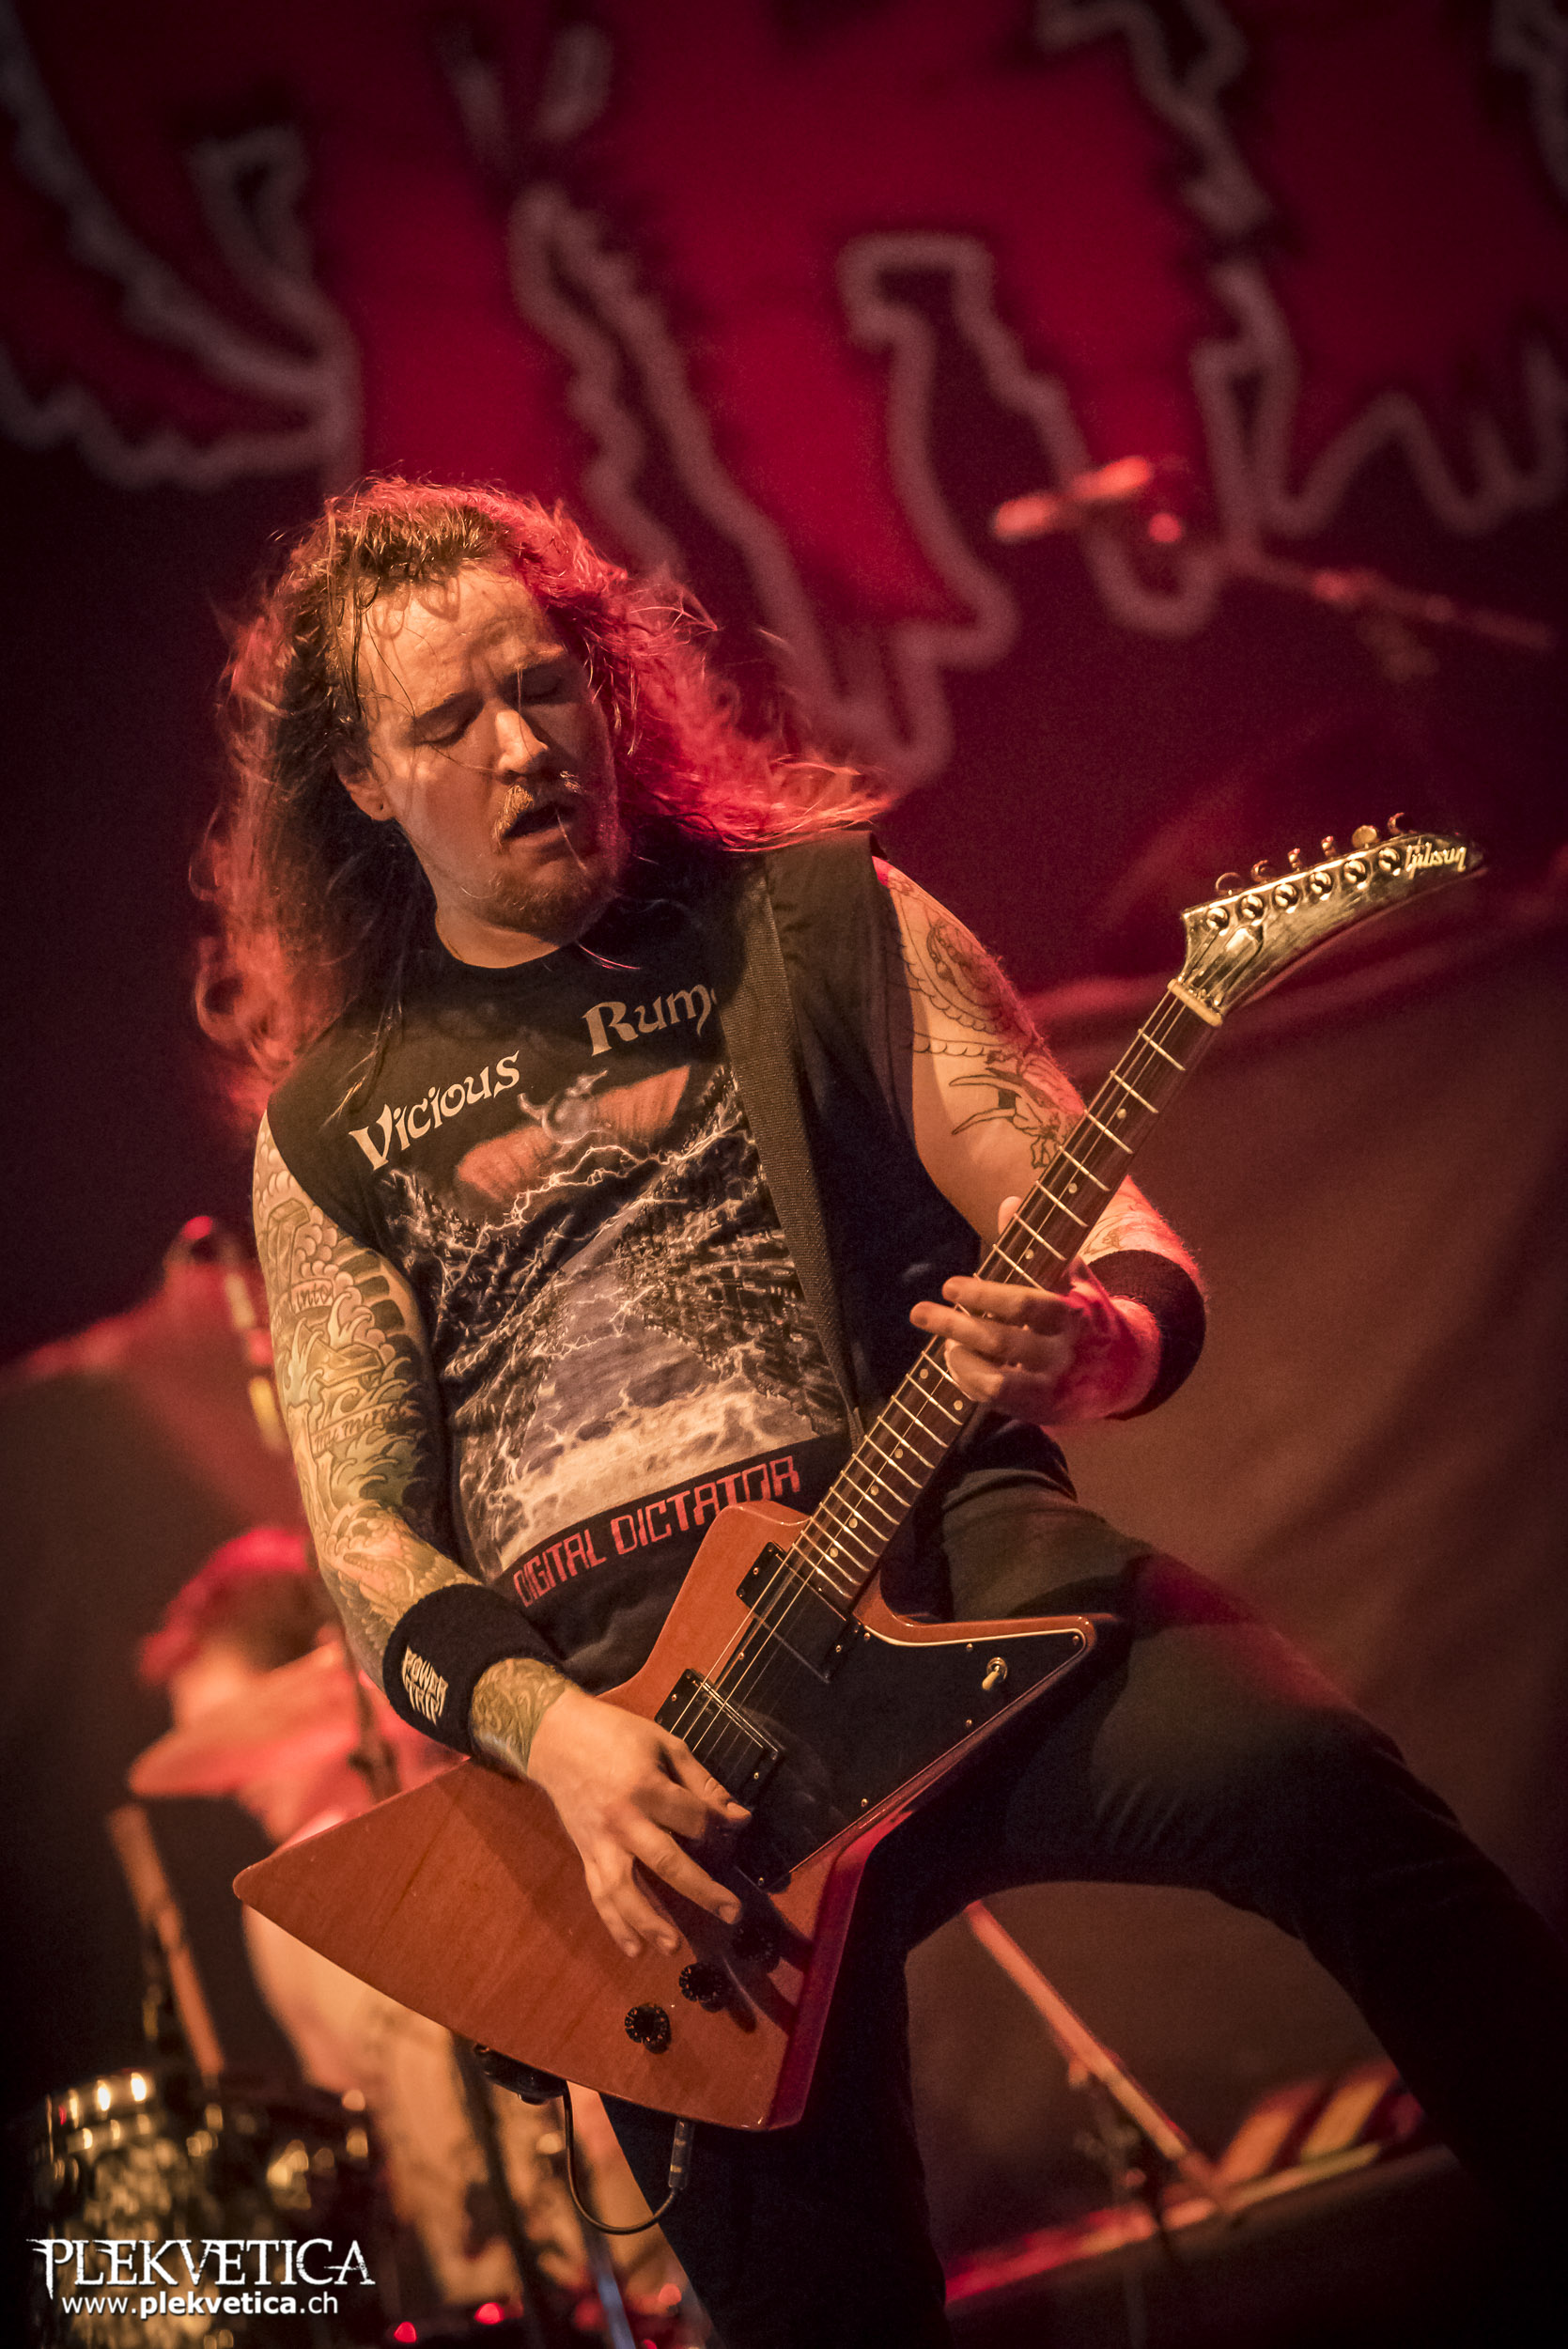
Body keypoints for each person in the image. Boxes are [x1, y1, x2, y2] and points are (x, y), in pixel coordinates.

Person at [200, 479, 1568, 2347]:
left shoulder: (817, 914)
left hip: (954, 1568)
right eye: (449, 720)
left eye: (544, 683)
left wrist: (1096, 1344)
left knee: (1325, 1790)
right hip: (656, 1779)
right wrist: (558, 1740)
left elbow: (1104, 1219)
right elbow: (366, 1539)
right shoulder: (331, 1131)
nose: (521, 746)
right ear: (361, 781)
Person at [136, 1526, 684, 2324]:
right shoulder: (277, 1925)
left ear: (323, 1675)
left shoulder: (508, 1809)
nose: (222, 1777)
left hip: (649, 2244)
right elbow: (365, 2148)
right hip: (489, 2302)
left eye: (230, 1733)